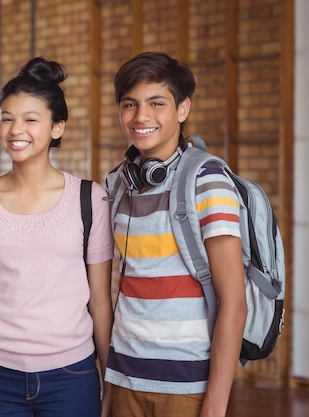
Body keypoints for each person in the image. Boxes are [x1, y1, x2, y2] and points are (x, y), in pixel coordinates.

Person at [0, 57, 114, 417]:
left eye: (30, 119)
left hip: (72, 374)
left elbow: (100, 301)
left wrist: (111, 379)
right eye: (7, 118)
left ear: (57, 127)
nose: (15, 129)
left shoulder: (90, 200)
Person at [105, 51, 248, 417]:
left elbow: (234, 301)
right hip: (124, 378)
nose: (141, 117)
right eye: (130, 104)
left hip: (187, 386)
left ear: (182, 109)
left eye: (157, 103)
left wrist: (215, 405)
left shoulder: (207, 180)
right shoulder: (117, 185)